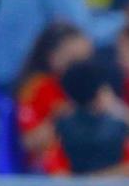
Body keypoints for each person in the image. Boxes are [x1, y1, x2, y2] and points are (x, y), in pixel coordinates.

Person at [15, 22, 95, 164]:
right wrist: (63, 119)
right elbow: (28, 142)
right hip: (47, 169)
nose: (80, 67)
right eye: (73, 60)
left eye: (85, 60)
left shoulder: (95, 86)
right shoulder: (37, 88)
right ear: (52, 56)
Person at [44, 60, 129, 176]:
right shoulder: (122, 127)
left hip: (79, 185)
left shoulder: (60, 126)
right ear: (101, 92)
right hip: (106, 185)